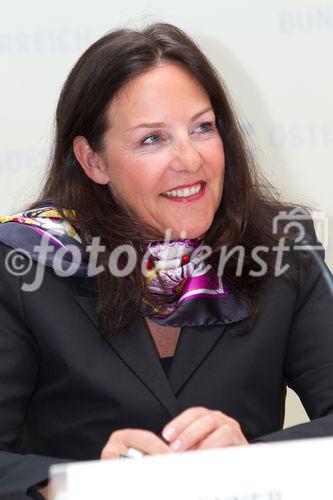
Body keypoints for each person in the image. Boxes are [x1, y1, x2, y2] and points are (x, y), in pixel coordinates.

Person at [0, 22, 333, 499]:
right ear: (93, 160)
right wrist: (70, 484)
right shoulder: (23, 261)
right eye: (152, 139)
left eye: (202, 127)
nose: (190, 160)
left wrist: (257, 459)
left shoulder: (282, 245)